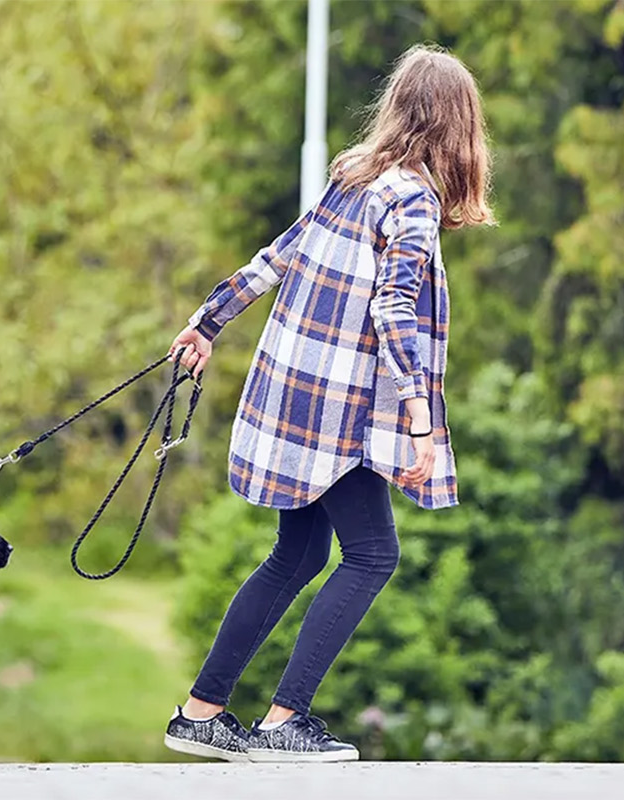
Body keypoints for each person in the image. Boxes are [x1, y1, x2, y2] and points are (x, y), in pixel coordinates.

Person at [162, 44, 494, 763]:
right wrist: (420, 419)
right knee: (373, 554)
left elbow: (279, 255)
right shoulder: (411, 198)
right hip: (344, 407)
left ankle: (200, 712)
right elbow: (395, 309)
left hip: (295, 392)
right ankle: (285, 722)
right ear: (456, 125)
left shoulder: (353, 175)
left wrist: (209, 319)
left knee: (300, 550)